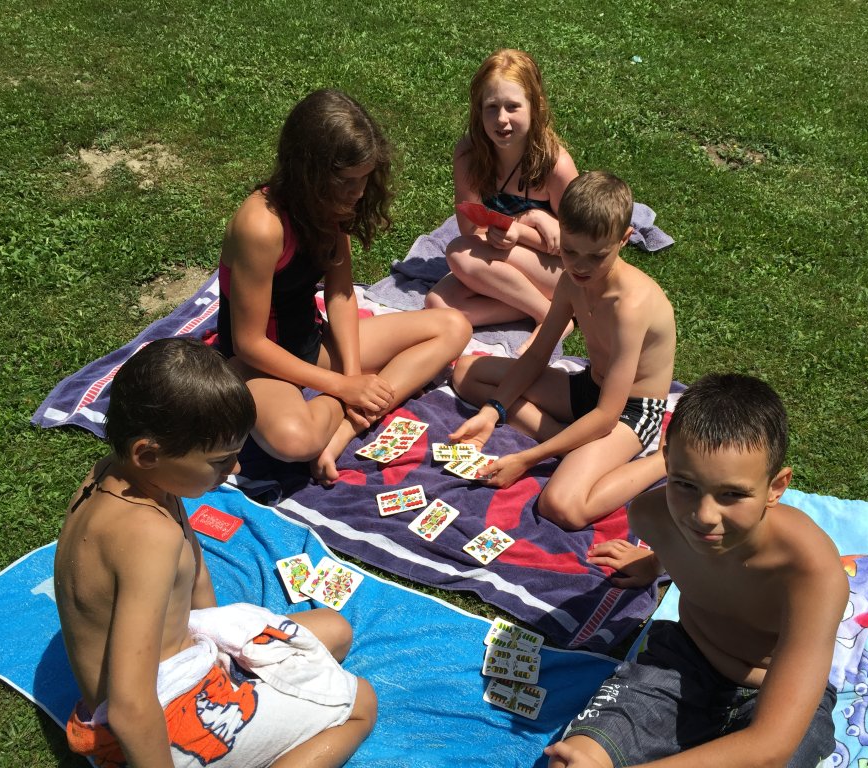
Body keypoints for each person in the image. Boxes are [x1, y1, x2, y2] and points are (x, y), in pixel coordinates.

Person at [55, 338, 377, 768]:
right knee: (361, 703)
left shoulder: (122, 475)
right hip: (164, 717)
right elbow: (131, 706)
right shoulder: (148, 537)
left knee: (334, 629)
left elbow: (196, 577)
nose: (235, 470)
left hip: (186, 659)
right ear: (148, 453)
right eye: (221, 461)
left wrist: (226, 652)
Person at [544, 373, 848, 768]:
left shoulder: (810, 573)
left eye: (732, 494)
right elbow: (677, 548)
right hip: (681, 663)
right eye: (686, 484)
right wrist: (652, 563)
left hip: (770, 693)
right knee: (573, 761)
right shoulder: (654, 518)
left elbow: (770, 747)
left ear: (776, 487)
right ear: (667, 460)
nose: (704, 516)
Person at [218, 88, 471, 482]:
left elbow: (339, 293)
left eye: (365, 179)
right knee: (295, 442)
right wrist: (343, 387)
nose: (358, 192)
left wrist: (353, 377)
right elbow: (249, 343)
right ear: (310, 173)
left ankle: (345, 428)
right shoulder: (262, 226)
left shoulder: (329, 206)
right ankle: (351, 405)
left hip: (310, 343)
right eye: (347, 181)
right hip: (255, 361)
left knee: (454, 326)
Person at [449, 171, 675, 530]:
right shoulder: (572, 281)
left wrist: (528, 458)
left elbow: (607, 415)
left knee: (561, 506)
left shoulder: (630, 308)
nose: (580, 266)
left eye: (596, 256)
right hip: (590, 387)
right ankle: (564, 439)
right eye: (569, 251)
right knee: (466, 372)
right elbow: (538, 355)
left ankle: (662, 460)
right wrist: (493, 411)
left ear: (624, 239)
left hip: (630, 412)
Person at [424, 49, 579, 352]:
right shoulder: (469, 155)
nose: (501, 119)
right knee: (437, 303)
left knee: (459, 253)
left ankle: (551, 318)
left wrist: (520, 232)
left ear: (535, 106)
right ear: (478, 109)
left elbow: (579, 245)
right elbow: (472, 230)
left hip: (560, 271)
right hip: (500, 261)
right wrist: (530, 219)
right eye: (491, 107)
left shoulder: (555, 166)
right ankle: (544, 307)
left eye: (512, 106)